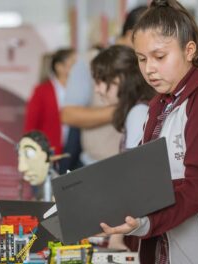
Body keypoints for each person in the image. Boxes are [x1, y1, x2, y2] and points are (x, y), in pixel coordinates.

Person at [100, 1, 198, 264]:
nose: (149, 68)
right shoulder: (160, 103)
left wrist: (145, 222)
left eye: (159, 57)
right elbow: (146, 180)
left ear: (189, 50)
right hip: (166, 248)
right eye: (142, 59)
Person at [61, 6, 147, 165]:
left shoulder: (147, 64)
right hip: (96, 164)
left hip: (133, 164)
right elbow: (68, 114)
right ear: (130, 35)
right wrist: (124, 108)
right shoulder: (89, 62)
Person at [91, 45, 155, 251]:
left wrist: (117, 238)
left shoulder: (137, 113)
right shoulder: (139, 110)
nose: (97, 89)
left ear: (120, 79)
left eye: (101, 80)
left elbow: (132, 180)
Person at [24, 48, 81, 173]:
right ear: (59, 67)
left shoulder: (80, 91)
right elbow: (31, 126)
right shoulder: (42, 91)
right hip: (48, 153)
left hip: (74, 155)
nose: (78, 69)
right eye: (73, 64)